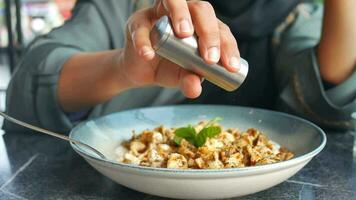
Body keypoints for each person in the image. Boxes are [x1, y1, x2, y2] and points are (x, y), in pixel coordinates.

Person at [4, 0, 355, 132]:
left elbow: (329, 89)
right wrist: (121, 68)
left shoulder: (297, 12)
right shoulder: (135, 7)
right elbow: (32, 80)